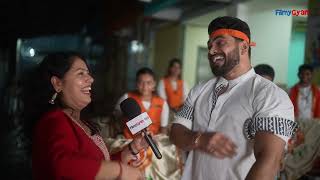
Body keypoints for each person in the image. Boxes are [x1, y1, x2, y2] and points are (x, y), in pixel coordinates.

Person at [169, 16, 297, 180]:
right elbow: (176, 132)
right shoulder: (200, 89)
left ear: (244, 47)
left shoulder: (269, 95)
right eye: (209, 45)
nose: (211, 51)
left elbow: (269, 161)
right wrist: (199, 139)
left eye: (220, 43)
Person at [24, 52, 148, 180]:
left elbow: (97, 163)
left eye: (88, 73)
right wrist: (120, 170)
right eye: (80, 73)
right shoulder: (53, 120)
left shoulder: (78, 121)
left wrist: (131, 149)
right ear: (57, 83)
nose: (91, 79)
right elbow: (64, 165)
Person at [114, 67, 169, 137]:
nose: (145, 86)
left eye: (148, 83)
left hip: (153, 141)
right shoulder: (126, 98)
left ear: (154, 84)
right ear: (136, 83)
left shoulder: (162, 103)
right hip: (129, 140)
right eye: (141, 82)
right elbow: (116, 117)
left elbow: (163, 128)